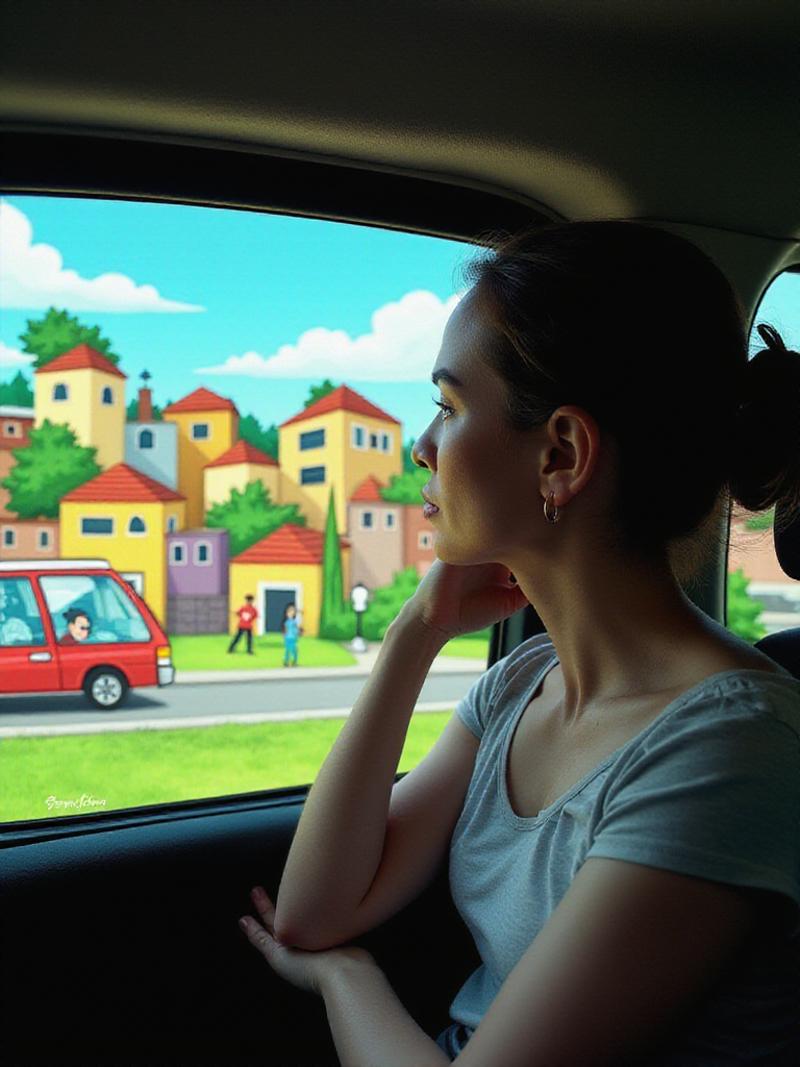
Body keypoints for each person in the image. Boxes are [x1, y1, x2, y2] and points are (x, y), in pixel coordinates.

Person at [238, 221, 800, 1066]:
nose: (423, 445)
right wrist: (413, 634)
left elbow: (325, 945)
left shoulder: (727, 746)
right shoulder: (522, 683)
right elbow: (313, 913)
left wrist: (348, 978)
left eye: (450, 406)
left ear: (562, 454)